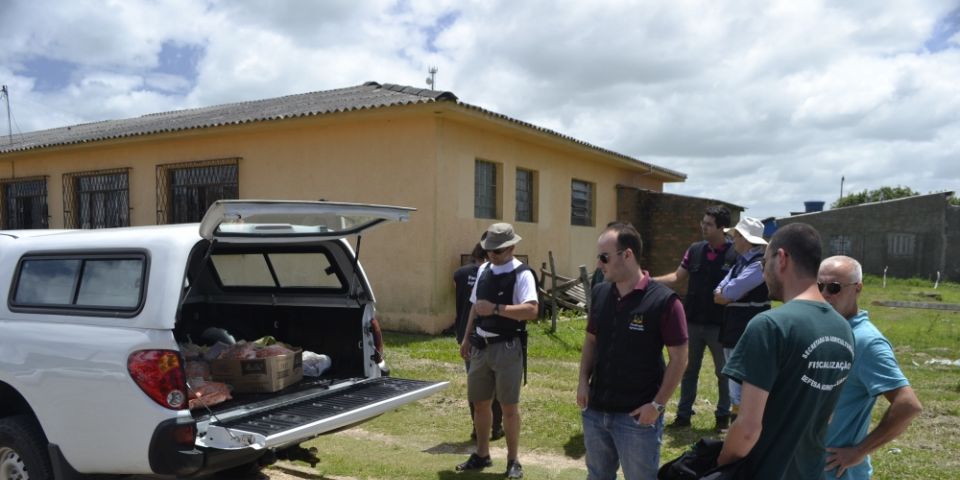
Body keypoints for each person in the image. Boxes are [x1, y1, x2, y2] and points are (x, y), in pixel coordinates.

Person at [717, 222, 855, 479]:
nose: (763, 272)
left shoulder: (769, 325)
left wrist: (720, 468)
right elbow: (826, 416)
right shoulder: (843, 329)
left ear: (781, 258)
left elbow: (747, 429)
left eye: (763, 263)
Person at [577, 222, 688, 479]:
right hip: (596, 411)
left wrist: (657, 405)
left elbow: (680, 358)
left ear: (627, 255)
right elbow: (591, 340)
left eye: (604, 257)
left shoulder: (664, 301)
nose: (598, 264)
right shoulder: (601, 292)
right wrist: (583, 382)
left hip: (637, 418)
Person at [819, 256, 922, 480]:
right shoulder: (825, 330)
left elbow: (908, 405)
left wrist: (859, 452)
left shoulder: (866, 342)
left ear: (858, 289)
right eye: (820, 287)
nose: (826, 294)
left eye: (834, 287)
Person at [456, 223, 539, 479]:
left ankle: (513, 460)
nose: (493, 254)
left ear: (512, 247)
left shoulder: (523, 274)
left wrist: (495, 309)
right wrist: (467, 337)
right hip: (481, 346)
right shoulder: (483, 270)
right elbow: (474, 306)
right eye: (490, 249)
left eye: (499, 250)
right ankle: (482, 453)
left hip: (507, 347)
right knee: (480, 405)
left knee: (508, 407)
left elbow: (532, 311)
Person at [655, 205, 734, 430]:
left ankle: (722, 417)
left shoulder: (734, 254)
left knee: (723, 372)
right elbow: (677, 277)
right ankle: (683, 415)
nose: (703, 227)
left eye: (709, 224)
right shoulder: (695, 249)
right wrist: (649, 280)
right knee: (688, 370)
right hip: (692, 321)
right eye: (703, 222)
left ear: (722, 227)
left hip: (720, 325)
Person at [713, 216, 770, 420]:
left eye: (736, 235)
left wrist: (728, 293)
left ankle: (742, 422)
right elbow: (719, 291)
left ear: (745, 239)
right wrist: (727, 293)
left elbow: (728, 293)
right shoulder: (740, 263)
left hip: (746, 327)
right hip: (734, 327)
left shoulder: (758, 265)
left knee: (741, 378)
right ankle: (737, 420)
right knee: (733, 375)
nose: (733, 240)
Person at [453, 241, 504, 442]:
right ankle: (495, 427)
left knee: (475, 385)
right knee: (496, 386)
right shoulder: (493, 275)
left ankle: (477, 427)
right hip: (486, 334)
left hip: (466, 334)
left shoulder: (459, 274)